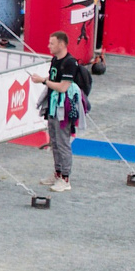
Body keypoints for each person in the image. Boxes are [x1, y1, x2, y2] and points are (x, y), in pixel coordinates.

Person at [42, 30, 91, 193]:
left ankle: (65, 178)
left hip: (64, 108)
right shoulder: (55, 59)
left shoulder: (70, 62)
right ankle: (57, 173)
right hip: (53, 105)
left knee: (62, 143)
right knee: (54, 141)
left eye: (52, 43)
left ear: (62, 44)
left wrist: (43, 81)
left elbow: (63, 86)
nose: (49, 46)